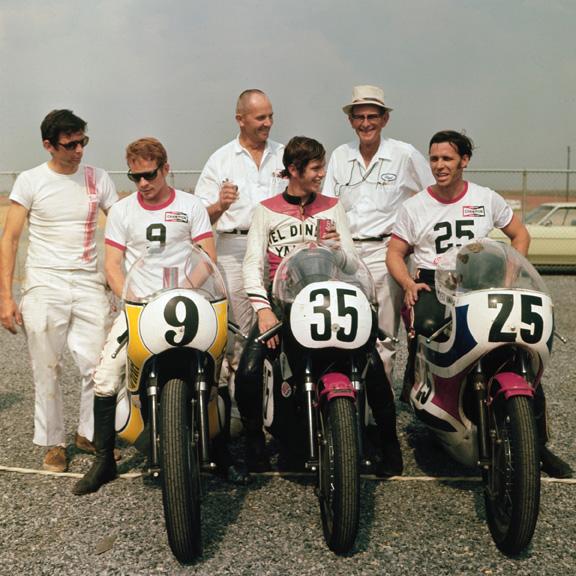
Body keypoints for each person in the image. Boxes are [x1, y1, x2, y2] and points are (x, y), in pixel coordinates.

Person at [386, 129, 573, 478]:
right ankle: (436, 413)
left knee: (515, 346)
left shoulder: (486, 198)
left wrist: (510, 275)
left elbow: (520, 234)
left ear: (464, 161)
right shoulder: (414, 206)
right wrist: (409, 284)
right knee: (427, 336)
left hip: (477, 280)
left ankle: (537, 443)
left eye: (447, 158)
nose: (439, 165)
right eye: (434, 158)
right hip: (433, 283)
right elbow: (395, 253)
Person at [73, 137, 245, 495]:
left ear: (166, 168)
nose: (143, 183)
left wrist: (185, 287)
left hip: (189, 302)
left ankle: (222, 453)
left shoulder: (190, 205)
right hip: (140, 307)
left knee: (221, 372)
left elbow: (207, 255)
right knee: (105, 376)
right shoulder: (122, 211)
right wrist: (130, 296)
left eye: (150, 175)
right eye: (135, 177)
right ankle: (104, 460)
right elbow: (112, 264)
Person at [237, 136, 403, 476]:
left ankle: (389, 443)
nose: (322, 174)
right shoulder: (266, 210)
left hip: (330, 300)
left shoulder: (332, 206)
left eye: (322, 166)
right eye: (315, 168)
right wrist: (264, 311)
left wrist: (336, 248)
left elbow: (351, 262)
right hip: (282, 303)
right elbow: (252, 265)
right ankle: (254, 442)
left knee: (371, 362)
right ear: (294, 170)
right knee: (249, 369)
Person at [0, 110, 118, 473]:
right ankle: (53, 442)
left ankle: (89, 433)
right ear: (48, 145)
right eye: (70, 144)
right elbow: (10, 238)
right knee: (47, 366)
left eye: (83, 141)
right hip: (43, 283)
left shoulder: (98, 178)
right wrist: (5, 297)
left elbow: (121, 226)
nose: (79, 150)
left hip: (88, 282)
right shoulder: (31, 181)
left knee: (98, 365)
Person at [322, 85, 434, 388]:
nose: (366, 123)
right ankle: (349, 401)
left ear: (385, 119)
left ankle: (378, 409)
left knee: (383, 336)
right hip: (346, 255)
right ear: (350, 120)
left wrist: (414, 241)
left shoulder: (404, 154)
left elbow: (431, 198)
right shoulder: (340, 156)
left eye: (372, 116)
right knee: (345, 330)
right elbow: (329, 205)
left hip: (386, 253)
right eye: (359, 117)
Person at [195, 89, 285, 434]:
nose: (268, 123)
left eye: (270, 115)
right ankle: (241, 417)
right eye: (260, 117)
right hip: (235, 247)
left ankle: (281, 411)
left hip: (278, 248)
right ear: (240, 119)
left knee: (283, 327)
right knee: (242, 336)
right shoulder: (221, 160)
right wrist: (220, 204)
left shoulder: (282, 155)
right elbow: (199, 218)